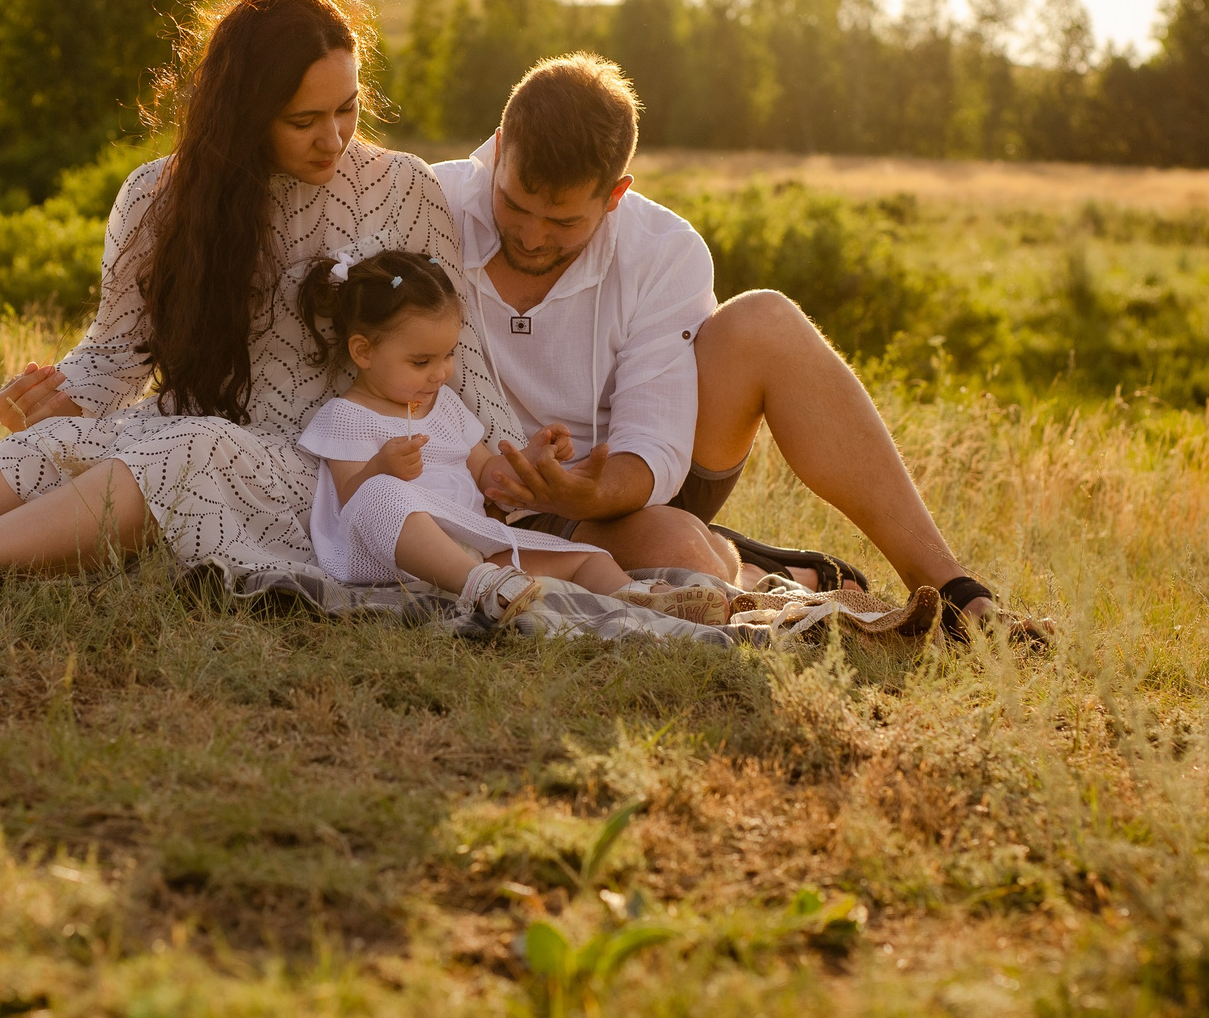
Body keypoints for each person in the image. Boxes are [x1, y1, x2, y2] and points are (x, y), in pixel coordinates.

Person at [0, 0, 529, 588]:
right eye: (303, 120)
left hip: (330, 467)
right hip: (198, 423)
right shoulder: (157, 195)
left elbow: (467, 358)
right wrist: (55, 391)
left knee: (185, 446)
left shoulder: (404, 187)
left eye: (347, 109)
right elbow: (117, 354)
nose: (334, 139)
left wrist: (516, 472)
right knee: (55, 444)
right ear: (243, 110)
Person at [433, 53, 1025, 633]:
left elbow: (654, 446)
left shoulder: (663, 249)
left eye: (564, 223)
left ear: (615, 195)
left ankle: (953, 593)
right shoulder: (426, 206)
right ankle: (767, 568)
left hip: (626, 486)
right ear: (498, 145)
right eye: (513, 204)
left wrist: (588, 492)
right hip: (472, 492)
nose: (532, 236)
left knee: (766, 320)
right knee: (684, 562)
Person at [292, 246, 676, 623]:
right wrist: (381, 466)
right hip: (392, 558)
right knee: (379, 492)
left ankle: (641, 599)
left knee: (588, 556)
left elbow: (486, 474)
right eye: (421, 362)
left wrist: (529, 458)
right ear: (363, 352)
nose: (441, 373)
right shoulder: (346, 416)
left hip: (479, 549)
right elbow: (350, 499)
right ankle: (476, 585)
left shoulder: (445, 405)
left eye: (447, 355)